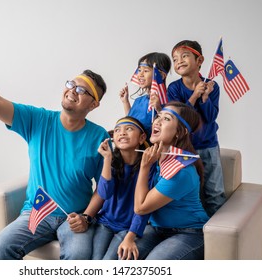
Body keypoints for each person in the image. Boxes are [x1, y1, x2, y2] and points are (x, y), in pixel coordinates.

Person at [0, 34, 109, 260]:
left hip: (74, 218)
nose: (72, 90)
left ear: (94, 104)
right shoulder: (38, 120)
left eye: (82, 90)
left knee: (78, 255)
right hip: (37, 212)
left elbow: (104, 185)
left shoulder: (98, 136)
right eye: (71, 84)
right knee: (1, 246)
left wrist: (86, 217)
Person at [134, 101, 209, 260]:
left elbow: (141, 208)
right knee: (122, 257)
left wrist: (144, 167)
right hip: (157, 229)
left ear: (179, 132)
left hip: (188, 233)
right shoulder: (158, 158)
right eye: (158, 116)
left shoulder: (181, 169)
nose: (157, 121)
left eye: (167, 119)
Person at [167, 40, 226, 216]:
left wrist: (205, 96)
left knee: (214, 191)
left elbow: (210, 117)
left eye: (184, 56)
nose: (179, 61)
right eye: (175, 59)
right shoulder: (174, 88)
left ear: (199, 60)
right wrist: (194, 96)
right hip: (185, 148)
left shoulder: (211, 86)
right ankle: (196, 232)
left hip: (208, 146)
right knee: (192, 191)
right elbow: (180, 119)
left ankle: (217, 230)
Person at [93, 116, 157, 260]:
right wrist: (107, 159)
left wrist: (131, 236)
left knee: (108, 260)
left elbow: (146, 206)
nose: (122, 133)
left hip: (128, 227)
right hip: (105, 223)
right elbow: (104, 193)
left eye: (128, 129)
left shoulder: (149, 167)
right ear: (113, 139)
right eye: (117, 130)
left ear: (142, 138)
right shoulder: (111, 162)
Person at [119, 52, 171, 140]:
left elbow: (170, 127)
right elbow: (131, 122)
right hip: (136, 146)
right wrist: (125, 102)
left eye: (146, 71)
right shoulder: (139, 101)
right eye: (139, 70)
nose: (140, 74)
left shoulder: (169, 100)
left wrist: (158, 108)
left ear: (161, 75)